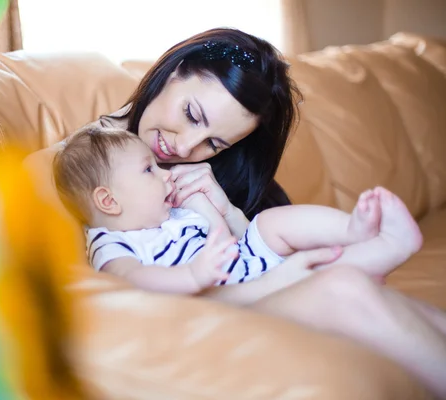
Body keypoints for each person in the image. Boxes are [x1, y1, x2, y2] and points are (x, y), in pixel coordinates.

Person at [26, 27, 446, 397]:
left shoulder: (215, 174)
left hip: (251, 279)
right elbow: (108, 295)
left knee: (397, 303)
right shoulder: (69, 172)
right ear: (173, 71)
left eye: (214, 143)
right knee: (344, 289)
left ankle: (367, 244)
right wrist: (278, 278)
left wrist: (224, 209)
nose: (187, 148)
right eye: (192, 114)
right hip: (200, 309)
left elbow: (260, 241)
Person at [53, 126, 421, 294]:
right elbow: (130, 280)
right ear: (108, 201)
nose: (165, 176)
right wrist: (193, 276)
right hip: (228, 292)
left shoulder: (171, 215)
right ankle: (386, 249)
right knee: (319, 276)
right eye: (150, 170)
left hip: (242, 262)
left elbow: (228, 237)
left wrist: (203, 207)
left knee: (272, 222)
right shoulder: (110, 242)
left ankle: (354, 231)